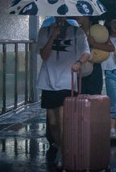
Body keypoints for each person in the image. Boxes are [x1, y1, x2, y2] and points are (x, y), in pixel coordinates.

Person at [36, 17, 90, 167]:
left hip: (68, 79)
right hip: (48, 80)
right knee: (52, 122)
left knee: (61, 118)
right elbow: (44, 55)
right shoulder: (45, 31)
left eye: (64, 16)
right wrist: (53, 36)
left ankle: (63, 152)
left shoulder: (77, 32)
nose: (61, 19)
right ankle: (60, 146)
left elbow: (86, 52)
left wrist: (79, 63)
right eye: (59, 16)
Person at [76, 16, 114, 95]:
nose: (77, 16)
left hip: (94, 68)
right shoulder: (75, 30)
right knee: (79, 96)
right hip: (78, 67)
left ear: (87, 16)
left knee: (94, 96)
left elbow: (111, 48)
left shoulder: (98, 30)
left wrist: (93, 44)